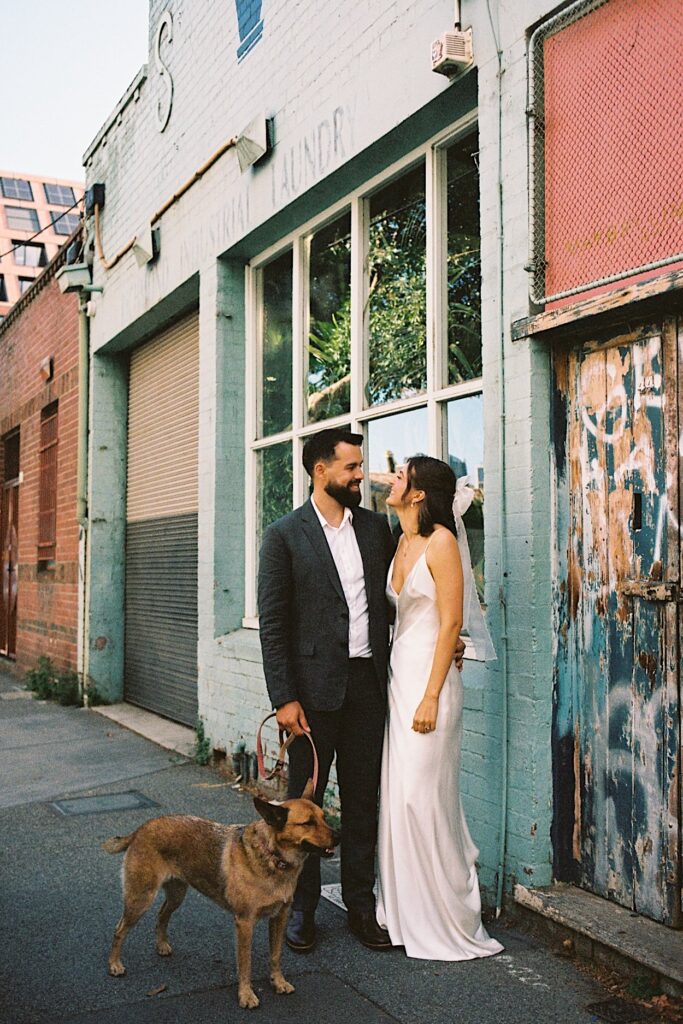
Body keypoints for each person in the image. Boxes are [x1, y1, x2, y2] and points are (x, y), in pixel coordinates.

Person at [257, 428, 396, 953]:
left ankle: (360, 906)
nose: (360, 475)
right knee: (305, 806)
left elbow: (401, 596)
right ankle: (301, 909)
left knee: (363, 801)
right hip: (311, 696)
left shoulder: (376, 528)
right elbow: (273, 624)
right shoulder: (283, 535)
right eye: (351, 467)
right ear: (321, 471)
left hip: (369, 687)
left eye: (360, 466)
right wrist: (284, 697)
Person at [376, 455, 503, 960]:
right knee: (399, 796)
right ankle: (405, 912)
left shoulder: (443, 542)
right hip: (399, 676)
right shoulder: (401, 540)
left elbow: (451, 623)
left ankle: (446, 915)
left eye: (401, 475)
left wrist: (431, 695)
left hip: (431, 684)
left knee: (424, 798)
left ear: (419, 493)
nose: (392, 479)